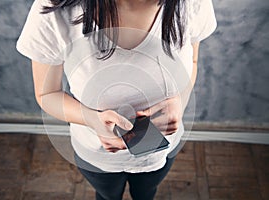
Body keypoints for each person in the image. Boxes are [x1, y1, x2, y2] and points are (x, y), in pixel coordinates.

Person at [16, 0, 217, 199]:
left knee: (146, 193)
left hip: (161, 148)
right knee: (107, 196)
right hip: (97, 155)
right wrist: (91, 119)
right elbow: (47, 94)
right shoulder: (54, 11)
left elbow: (192, 61)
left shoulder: (192, 3)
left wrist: (180, 101)